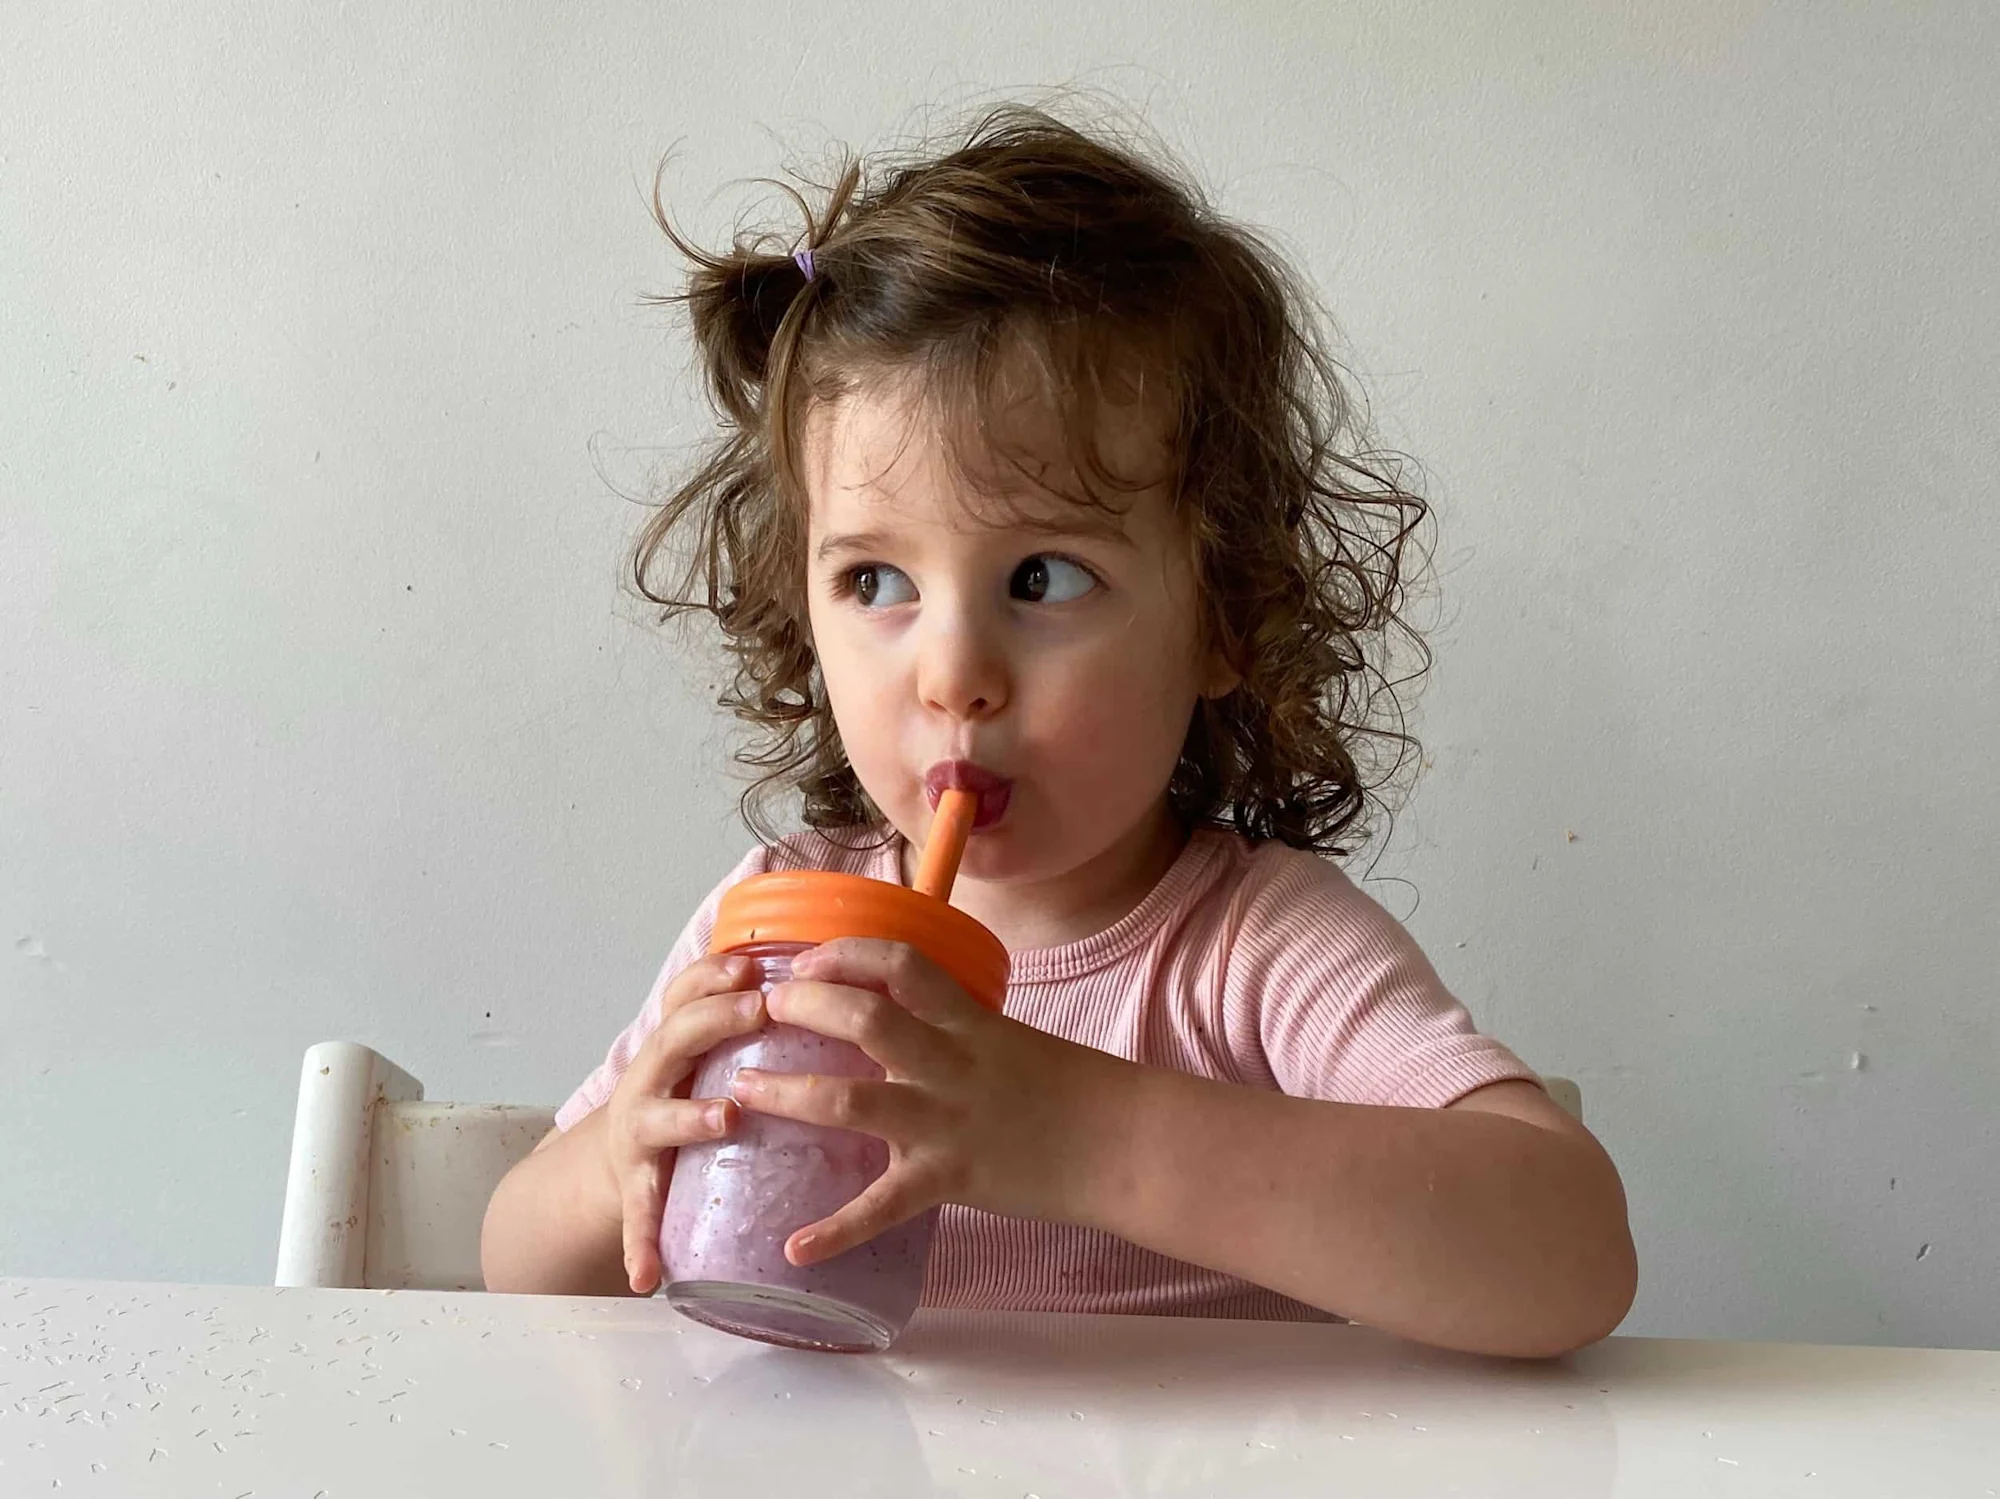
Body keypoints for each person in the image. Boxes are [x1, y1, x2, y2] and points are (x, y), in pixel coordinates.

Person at [482, 105, 1637, 1358]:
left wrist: (1082, 1133)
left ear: (1223, 618)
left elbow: (1570, 1255)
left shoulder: (1251, 953)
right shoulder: (775, 933)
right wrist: (617, 1159)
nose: (954, 672)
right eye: (874, 582)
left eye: (1041, 578)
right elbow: (515, 1269)